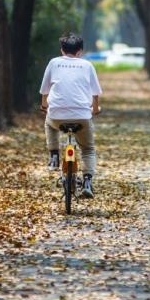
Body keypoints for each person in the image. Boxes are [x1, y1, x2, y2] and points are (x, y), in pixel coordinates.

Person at [40, 33, 102, 198]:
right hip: (82, 115)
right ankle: (88, 181)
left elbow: (44, 90)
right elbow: (95, 94)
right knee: (88, 148)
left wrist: (44, 105)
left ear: (62, 50)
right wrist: (95, 109)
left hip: (57, 115)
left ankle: (54, 156)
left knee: (48, 123)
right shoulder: (87, 65)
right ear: (80, 51)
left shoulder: (54, 63)